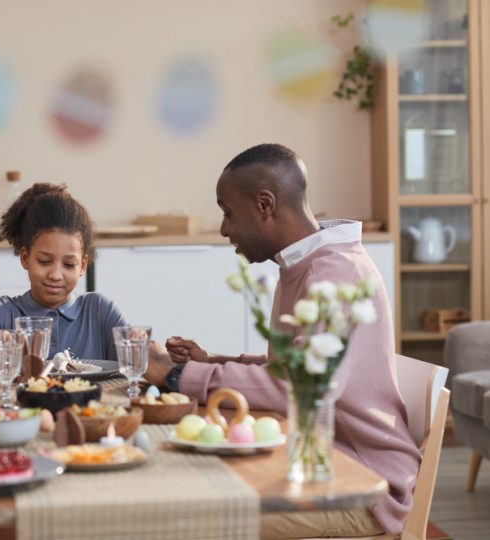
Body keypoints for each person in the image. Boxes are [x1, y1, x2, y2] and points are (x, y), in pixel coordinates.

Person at [145, 143, 420, 539]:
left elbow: (297, 386)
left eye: (227, 212)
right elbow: (293, 369)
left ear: (264, 204)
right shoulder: (304, 264)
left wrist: (179, 375)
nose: (224, 228)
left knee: (197, 519)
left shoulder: (333, 274)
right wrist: (216, 360)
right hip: (320, 465)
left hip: (360, 487)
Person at [0, 182, 127, 372]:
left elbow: (138, 356)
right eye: (44, 261)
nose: (55, 275)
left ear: (83, 265)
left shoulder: (99, 310)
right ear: (26, 258)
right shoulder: (3, 312)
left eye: (69, 264)